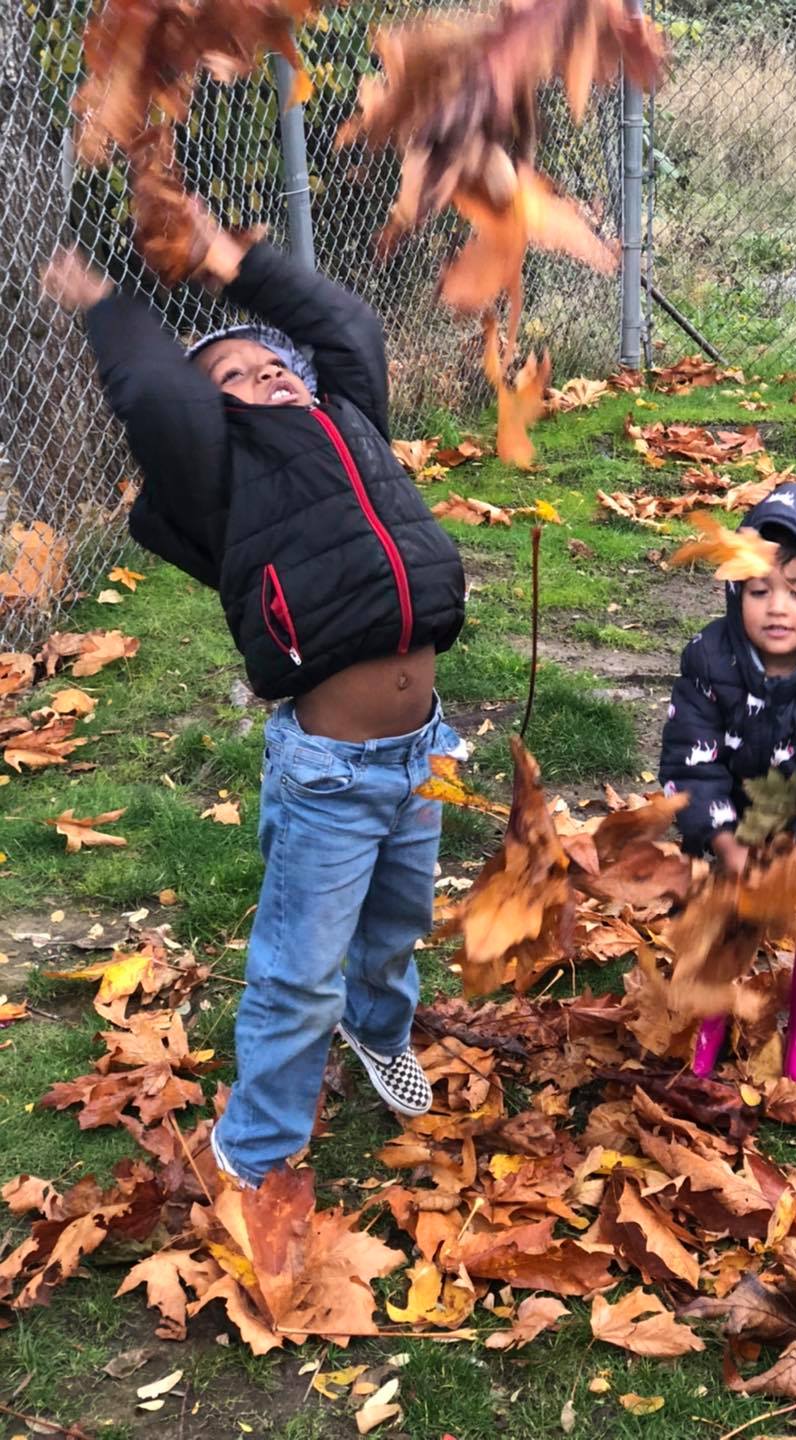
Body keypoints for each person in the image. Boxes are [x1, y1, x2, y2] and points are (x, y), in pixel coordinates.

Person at [41, 231, 467, 1188]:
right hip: (332, 773)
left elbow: (346, 326)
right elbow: (159, 396)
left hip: (422, 753)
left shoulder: (351, 417)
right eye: (233, 373)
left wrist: (229, 257)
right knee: (297, 970)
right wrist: (109, 306)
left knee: (398, 928)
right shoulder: (221, 480)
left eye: (274, 362)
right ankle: (259, 1145)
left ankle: (377, 1027)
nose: (266, 373)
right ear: (212, 414)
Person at [658, 481, 796, 1082]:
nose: (777, 607)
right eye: (759, 590)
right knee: (720, 916)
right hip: (732, 816)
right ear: (737, 590)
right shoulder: (710, 658)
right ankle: (712, 1013)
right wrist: (725, 842)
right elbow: (690, 762)